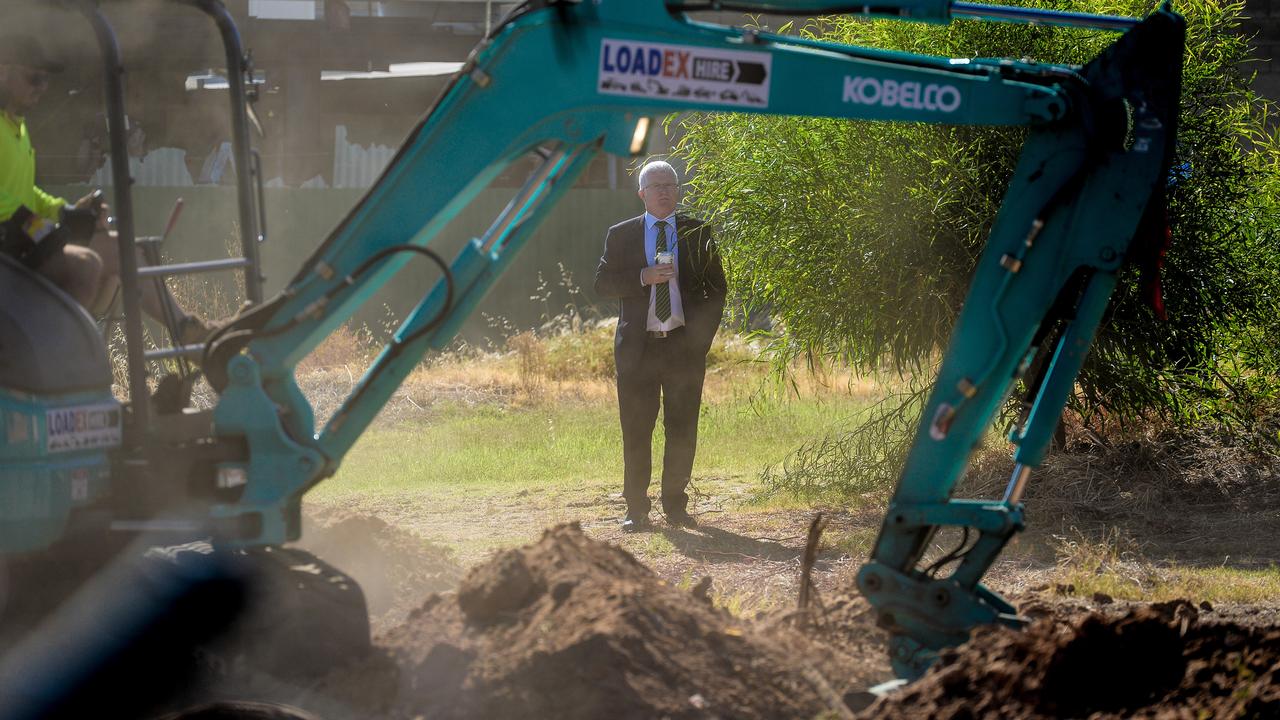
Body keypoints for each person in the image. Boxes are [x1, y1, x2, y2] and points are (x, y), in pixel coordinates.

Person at [0, 36, 214, 345]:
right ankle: (59, 362)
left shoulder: (16, 127)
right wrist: (34, 224)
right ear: (3, 72)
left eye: (46, 79)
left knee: (124, 249)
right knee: (83, 266)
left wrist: (66, 211)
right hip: (9, 247)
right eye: (34, 77)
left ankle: (188, 335)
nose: (42, 87)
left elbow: (24, 192)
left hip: (19, 241)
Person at [594, 160, 727, 532]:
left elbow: (717, 289)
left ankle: (675, 505)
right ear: (642, 194)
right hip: (639, 350)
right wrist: (643, 276)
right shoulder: (621, 235)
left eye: (671, 185)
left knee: (682, 429)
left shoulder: (696, 232)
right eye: (657, 186)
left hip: (683, 349)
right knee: (637, 430)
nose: (665, 191)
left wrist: (699, 341)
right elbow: (602, 283)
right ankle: (636, 509)